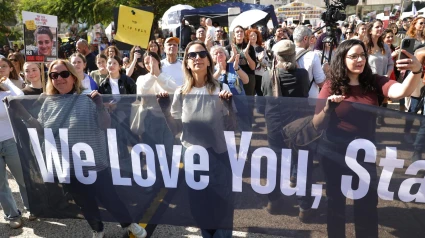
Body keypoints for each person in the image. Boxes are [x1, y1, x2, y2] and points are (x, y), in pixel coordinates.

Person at [16, 59, 147, 238]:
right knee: (84, 202)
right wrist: (23, 114)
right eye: (54, 75)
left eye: (64, 74)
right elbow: (41, 131)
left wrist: (100, 106)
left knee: (110, 199)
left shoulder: (88, 97)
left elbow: (105, 125)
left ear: (72, 76)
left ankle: (128, 224)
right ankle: (97, 229)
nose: (59, 79)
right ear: (51, 79)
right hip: (68, 165)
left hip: (94, 162)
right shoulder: (48, 103)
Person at [312, 39, 422, 238]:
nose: (359, 60)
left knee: (367, 201)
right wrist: (328, 108)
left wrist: (416, 71)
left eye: (362, 55)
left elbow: (401, 92)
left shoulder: (374, 82)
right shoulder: (331, 85)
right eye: (353, 56)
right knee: (335, 201)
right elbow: (316, 123)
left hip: (364, 153)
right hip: (334, 152)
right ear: (342, 59)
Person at [157, 40, 234, 238]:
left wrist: (230, 107)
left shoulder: (221, 88)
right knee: (200, 210)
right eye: (192, 55)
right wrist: (165, 110)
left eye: (201, 54)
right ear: (187, 63)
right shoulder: (182, 93)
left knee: (221, 210)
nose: (197, 58)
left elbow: (233, 127)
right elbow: (176, 130)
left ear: (209, 61)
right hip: (194, 161)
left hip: (218, 159)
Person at [261, 39, 310, 218]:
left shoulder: (268, 75)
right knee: (302, 163)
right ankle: (304, 207)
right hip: (298, 125)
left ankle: (273, 201)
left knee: (275, 163)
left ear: (276, 56)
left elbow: (263, 101)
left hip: (275, 125)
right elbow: (304, 95)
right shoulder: (303, 74)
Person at [0, 73, 31, 229]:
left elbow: (20, 96)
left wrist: (8, 83)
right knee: (1, 185)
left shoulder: (6, 94)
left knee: (22, 178)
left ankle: (32, 208)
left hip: (10, 142)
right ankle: (12, 215)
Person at [365, 20, 394, 125]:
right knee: (368, 114)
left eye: (381, 27)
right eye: (377, 27)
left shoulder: (385, 46)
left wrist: (387, 75)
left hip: (382, 83)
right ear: (370, 30)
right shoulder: (364, 46)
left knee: (377, 110)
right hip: (367, 84)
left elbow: (391, 63)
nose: (380, 29)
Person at [293, 25, 326, 98]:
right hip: (309, 100)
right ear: (305, 38)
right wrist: (327, 72)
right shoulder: (312, 56)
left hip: (288, 99)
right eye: (310, 38)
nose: (311, 41)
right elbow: (320, 82)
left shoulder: (284, 54)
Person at [226, 26, 256, 96]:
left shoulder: (249, 47)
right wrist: (233, 56)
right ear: (234, 34)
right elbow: (226, 66)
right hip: (234, 77)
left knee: (249, 101)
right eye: (237, 32)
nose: (239, 33)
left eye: (241, 31)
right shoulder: (229, 47)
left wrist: (246, 54)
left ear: (244, 34)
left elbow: (253, 67)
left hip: (248, 76)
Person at [246, 28, 268, 96]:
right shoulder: (246, 48)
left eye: (255, 35)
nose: (253, 37)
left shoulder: (261, 48)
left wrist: (260, 60)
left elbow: (266, 62)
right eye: (251, 35)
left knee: (260, 93)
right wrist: (257, 59)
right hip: (248, 74)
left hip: (259, 74)